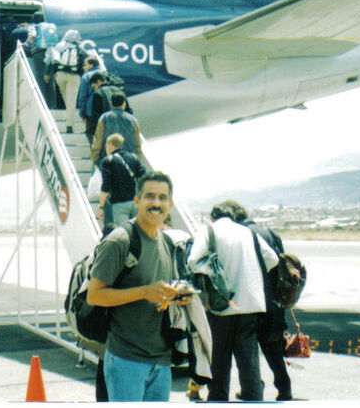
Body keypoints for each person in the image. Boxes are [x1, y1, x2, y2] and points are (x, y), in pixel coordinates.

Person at [87, 171, 190, 402]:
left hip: (161, 361)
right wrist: (144, 292)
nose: (156, 203)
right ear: (137, 201)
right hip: (126, 359)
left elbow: (160, 291)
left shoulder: (167, 243)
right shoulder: (120, 241)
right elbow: (94, 295)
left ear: (170, 204)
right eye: (150, 196)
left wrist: (177, 296)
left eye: (163, 198)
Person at [188, 200, 279, 402]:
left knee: (219, 361)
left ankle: (218, 399)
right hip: (251, 304)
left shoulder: (208, 230)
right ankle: (253, 399)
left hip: (222, 305)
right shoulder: (247, 232)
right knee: (249, 362)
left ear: (213, 216)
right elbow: (272, 259)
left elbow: (193, 261)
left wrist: (215, 273)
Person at [240, 217, 292, 401]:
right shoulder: (271, 233)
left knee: (248, 348)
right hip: (275, 301)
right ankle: (284, 388)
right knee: (273, 348)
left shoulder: (244, 235)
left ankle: (255, 386)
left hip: (254, 300)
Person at [98, 133, 146, 228]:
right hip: (135, 202)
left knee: (124, 235)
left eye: (106, 145)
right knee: (137, 232)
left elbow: (106, 186)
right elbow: (144, 177)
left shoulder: (108, 161)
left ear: (110, 144)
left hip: (119, 204)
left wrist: (101, 206)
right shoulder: (134, 158)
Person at [49, 29, 87, 132]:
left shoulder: (60, 46)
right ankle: (69, 125)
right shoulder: (80, 47)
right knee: (71, 100)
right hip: (74, 76)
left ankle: (68, 116)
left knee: (65, 96)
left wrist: (49, 73)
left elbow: (51, 59)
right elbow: (86, 59)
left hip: (60, 75)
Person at [90, 92, 142, 166]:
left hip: (108, 160)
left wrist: (95, 159)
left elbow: (98, 141)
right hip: (129, 161)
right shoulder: (133, 120)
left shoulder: (104, 118)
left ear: (111, 104)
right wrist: (138, 161)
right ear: (124, 104)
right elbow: (137, 144)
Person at [26, 12, 58, 108]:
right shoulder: (50, 27)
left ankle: (42, 106)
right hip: (50, 52)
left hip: (38, 53)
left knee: (40, 79)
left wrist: (26, 44)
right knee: (50, 79)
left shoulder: (34, 26)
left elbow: (32, 36)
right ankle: (53, 106)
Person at [76, 56, 102, 143]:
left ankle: (95, 153)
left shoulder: (86, 76)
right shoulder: (105, 73)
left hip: (91, 110)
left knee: (90, 133)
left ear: (91, 65)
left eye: (85, 65)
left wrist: (82, 114)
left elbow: (83, 97)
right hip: (105, 108)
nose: (83, 67)